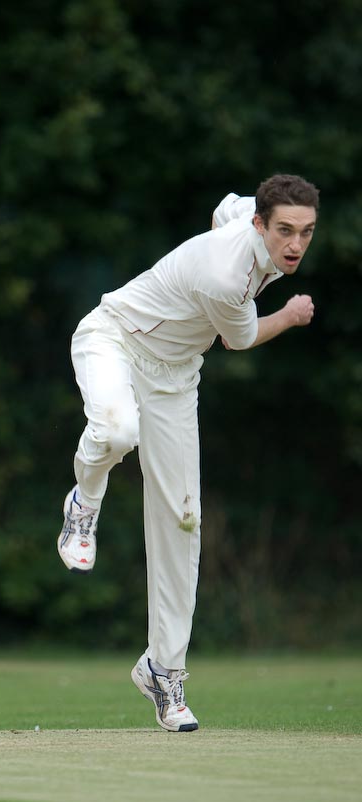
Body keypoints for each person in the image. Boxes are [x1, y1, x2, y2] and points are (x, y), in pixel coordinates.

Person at [57, 174, 319, 732]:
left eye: (306, 232)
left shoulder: (248, 216)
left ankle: (163, 670)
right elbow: (238, 339)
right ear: (260, 225)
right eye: (284, 231)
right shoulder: (227, 277)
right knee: (117, 431)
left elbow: (224, 208)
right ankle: (84, 502)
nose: (295, 244)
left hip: (175, 378)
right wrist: (292, 314)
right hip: (115, 337)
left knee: (183, 520)